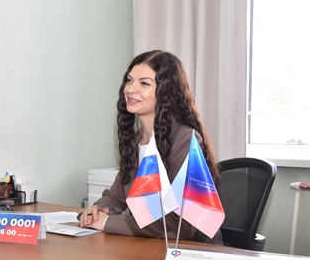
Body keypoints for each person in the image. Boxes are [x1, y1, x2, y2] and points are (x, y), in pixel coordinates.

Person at [79, 50, 222, 244]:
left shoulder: (185, 140)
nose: (130, 89)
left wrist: (107, 223)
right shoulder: (137, 140)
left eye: (144, 83)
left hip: (191, 252)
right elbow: (116, 196)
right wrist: (97, 209)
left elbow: (183, 224)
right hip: (151, 247)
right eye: (129, 80)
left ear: (167, 92)